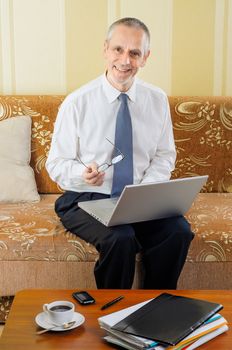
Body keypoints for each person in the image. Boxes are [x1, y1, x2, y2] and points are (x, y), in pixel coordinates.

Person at [46, 17, 194, 289]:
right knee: (120, 238)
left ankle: (155, 306)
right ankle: (113, 314)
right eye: (118, 49)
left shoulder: (157, 100)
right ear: (105, 49)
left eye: (134, 53)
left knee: (178, 231)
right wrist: (81, 173)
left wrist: (146, 192)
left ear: (145, 57)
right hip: (86, 196)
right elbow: (55, 163)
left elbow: (164, 155)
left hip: (140, 197)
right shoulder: (77, 102)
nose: (125, 60)